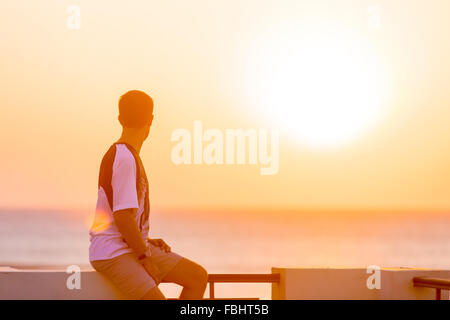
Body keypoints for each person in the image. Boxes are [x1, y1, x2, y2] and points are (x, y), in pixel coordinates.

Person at [89, 90, 208, 300]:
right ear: (151, 120)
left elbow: (124, 215)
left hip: (129, 246)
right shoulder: (124, 157)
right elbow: (123, 216)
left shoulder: (128, 156)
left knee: (197, 277)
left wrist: (146, 240)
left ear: (119, 119)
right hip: (114, 254)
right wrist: (145, 256)